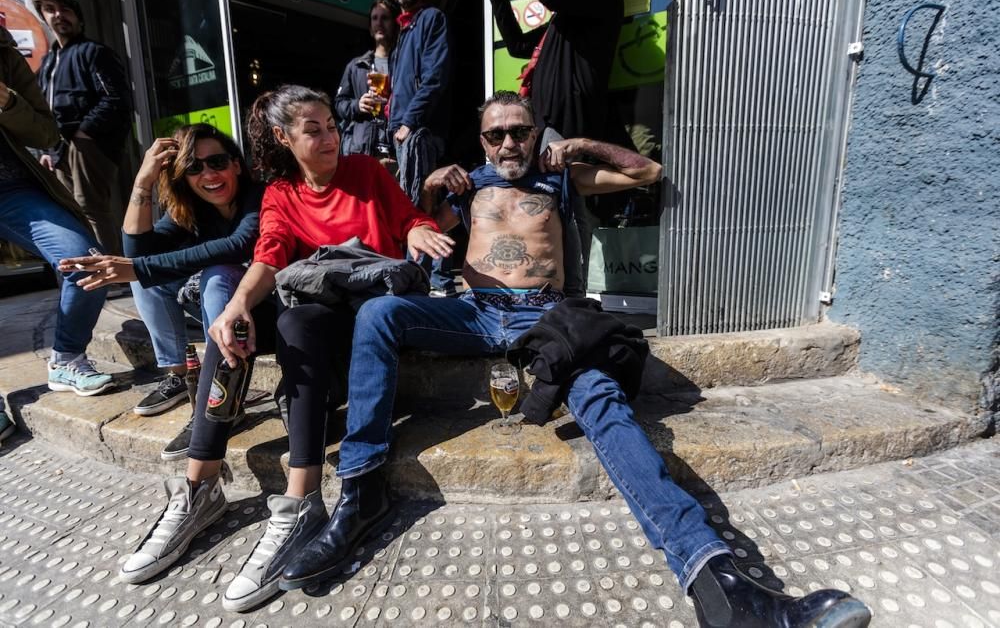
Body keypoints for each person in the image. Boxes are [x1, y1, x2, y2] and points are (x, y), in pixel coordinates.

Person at [276, 92, 873, 628]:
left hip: (548, 317)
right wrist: (432, 189)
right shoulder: (467, 185)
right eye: (496, 134)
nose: (509, 143)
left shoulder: (561, 177)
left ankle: (724, 587)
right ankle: (361, 491)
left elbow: (649, 170)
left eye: (520, 131)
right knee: (380, 314)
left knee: (601, 398)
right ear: (480, 139)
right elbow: (424, 230)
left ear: (537, 134)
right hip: (476, 312)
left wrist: (579, 144)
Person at [117, 85, 453, 613]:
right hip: (315, 313)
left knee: (293, 320)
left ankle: (300, 501)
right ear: (283, 137)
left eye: (331, 126)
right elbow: (269, 255)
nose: (329, 138)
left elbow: (410, 217)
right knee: (245, 326)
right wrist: (236, 308)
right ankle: (199, 488)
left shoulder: (366, 171)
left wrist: (419, 232)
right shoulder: (280, 193)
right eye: (313, 129)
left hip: (371, 312)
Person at [57, 124, 260, 460]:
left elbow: (239, 244)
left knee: (217, 275)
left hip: (258, 310)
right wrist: (143, 180)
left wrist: (138, 267)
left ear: (236, 164)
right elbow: (138, 255)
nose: (208, 173)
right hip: (218, 312)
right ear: (183, 177)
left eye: (217, 162)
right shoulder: (191, 210)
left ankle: (223, 397)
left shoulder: (260, 196)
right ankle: (181, 375)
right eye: (194, 167)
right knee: (146, 275)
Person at [480, 0, 632, 280]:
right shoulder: (567, 16)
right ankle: (555, 292)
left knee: (569, 213)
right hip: (548, 126)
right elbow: (518, 45)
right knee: (550, 212)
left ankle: (572, 299)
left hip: (568, 126)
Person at [0, 25, 112, 397]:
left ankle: (67, 358)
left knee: (85, 259)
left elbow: (47, 133)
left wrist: (6, 102)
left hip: (12, 190)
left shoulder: (4, 54)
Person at [29, 0, 131, 256]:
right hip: (60, 148)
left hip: (87, 143)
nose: (59, 15)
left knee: (91, 208)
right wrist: (48, 150)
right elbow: (44, 111)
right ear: (43, 15)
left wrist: (84, 134)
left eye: (65, 9)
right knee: (71, 210)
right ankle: (90, 269)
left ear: (78, 16)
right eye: (50, 9)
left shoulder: (93, 52)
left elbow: (115, 99)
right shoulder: (49, 62)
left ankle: (110, 275)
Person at [384, 0, 456, 296]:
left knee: (421, 205)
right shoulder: (405, 31)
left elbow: (434, 78)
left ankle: (432, 284)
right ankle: (432, 282)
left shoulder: (430, 19)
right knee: (417, 204)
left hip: (420, 132)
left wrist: (408, 122)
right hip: (406, 131)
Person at [335, 0, 398, 159]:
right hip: (360, 147)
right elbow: (339, 104)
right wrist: (358, 105)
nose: (379, 23)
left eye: (385, 18)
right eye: (375, 18)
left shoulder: (403, 65)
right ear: (370, 28)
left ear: (395, 24)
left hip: (392, 147)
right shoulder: (356, 66)